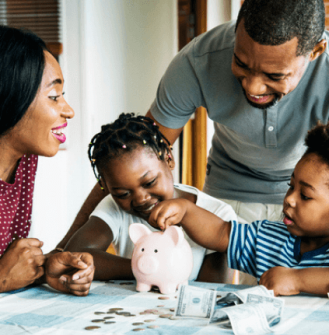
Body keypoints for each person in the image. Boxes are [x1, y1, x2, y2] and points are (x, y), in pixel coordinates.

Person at [58, 0, 329, 284]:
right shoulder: (198, 60)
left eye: (274, 75)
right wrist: (63, 250)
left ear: (316, 51)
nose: (252, 86)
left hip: (320, 205)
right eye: (241, 63)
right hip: (229, 198)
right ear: (237, 30)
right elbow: (133, 156)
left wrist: (302, 280)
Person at [149, 118, 329, 296]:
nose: (289, 199)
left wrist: (296, 280)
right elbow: (220, 233)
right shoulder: (269, 239)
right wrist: (186, 210)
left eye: (305, 196)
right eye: (291, 186)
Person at [63, 114, 237, 282]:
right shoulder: (114, 206)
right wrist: (143, 268)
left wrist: (152, 269)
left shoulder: (218, 214)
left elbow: (212, 289)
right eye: (123, 194)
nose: (140, 199)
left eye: (149, 182)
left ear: (168, 158)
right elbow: (73, 255)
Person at [0, 25, 94, 295]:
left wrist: (43, 269)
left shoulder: (25, 160)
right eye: (54, 97)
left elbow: (9, 263)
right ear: (10, 96)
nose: (69, 110)